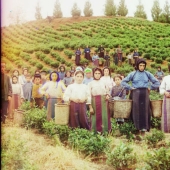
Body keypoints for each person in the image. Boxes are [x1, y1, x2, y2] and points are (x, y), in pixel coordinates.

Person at [121, 58, 160, 135]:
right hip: (136, 93)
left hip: (145, 94)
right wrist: (130, 87)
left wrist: (150, 87)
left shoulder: (147, 74)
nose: (142, 67)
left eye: (143, 65)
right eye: (140, 65)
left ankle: (144, 130)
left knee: (145, 111)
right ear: (137, 65)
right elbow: (123, 82)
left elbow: (157, 83)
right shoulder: (133, 74)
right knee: (136, 111)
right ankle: (136, 130)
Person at [88, 68, 111, 133]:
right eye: (96, 73)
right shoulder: (90, 83)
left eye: (99, 73)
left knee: (104, 117)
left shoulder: (104, 82)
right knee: (95, 117)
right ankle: (94, 132)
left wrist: (107, 95)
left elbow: (108, 91)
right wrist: (90, 107)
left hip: (104, 102)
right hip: (94, 102)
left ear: (101, 74)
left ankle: (105, 132)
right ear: (93, 74)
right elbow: (88, 95)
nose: (97, 75)